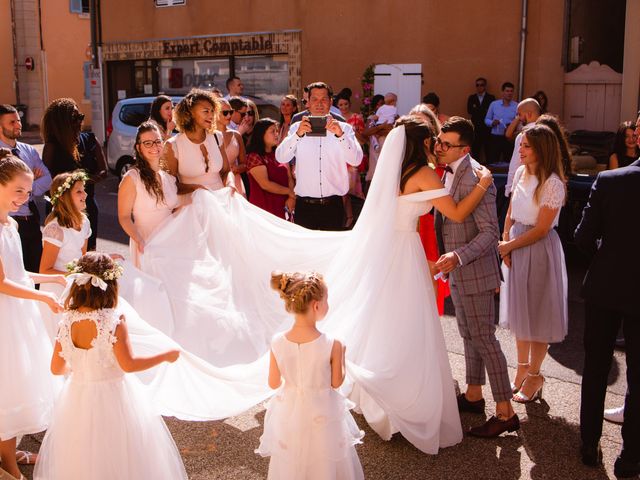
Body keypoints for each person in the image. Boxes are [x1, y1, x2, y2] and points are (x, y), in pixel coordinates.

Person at [32, 252, 187, 480]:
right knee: (121, 451)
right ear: (110, 285)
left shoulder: (67, 321)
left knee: (81, 453)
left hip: (78, 396)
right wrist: (165, 356)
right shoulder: (113, 321)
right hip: (114, 397)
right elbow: (129, 364)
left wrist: (81, 365)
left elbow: (56, 369)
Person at [433, 116, 520, 438]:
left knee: (484, 338)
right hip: (456, 271)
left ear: (464, 148)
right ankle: (473, 394)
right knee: (468, 334)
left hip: (474, 271)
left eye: (446, 144)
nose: (439, 147)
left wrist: (457, 256)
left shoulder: (477, 177)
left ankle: (505, 412)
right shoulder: (448, 170)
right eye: (438, 141)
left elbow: (490, 234)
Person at [256, 271, 365, 479]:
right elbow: (336, 382)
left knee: (292, 458)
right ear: (316, 305)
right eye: (326, 300)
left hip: (289, 411)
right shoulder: (333, 343)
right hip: (322, 411)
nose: (327, 304)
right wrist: (340, 354)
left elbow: (273, 383)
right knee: (324, 457)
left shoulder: (278, 341)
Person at [0, 149, 64, 480]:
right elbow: (2, 283)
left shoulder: (9, 224)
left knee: (18, 387)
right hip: (4, 317)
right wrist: (44, 301)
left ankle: (8, 453)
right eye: (17, 191)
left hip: (16, 311)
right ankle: (7, 465)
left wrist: (50, 278)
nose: (24, 198)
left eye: (27, 192)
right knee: (8, 389)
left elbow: (19, 272)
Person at [574, 157, 640, 478]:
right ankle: (630, 458)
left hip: (605, 287)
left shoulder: (610, 179)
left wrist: (607, 256)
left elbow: (583, 237)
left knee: (596, 366)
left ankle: (589, 443)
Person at [498, 124, 568, 405]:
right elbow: (511, 211)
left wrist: (509, 246)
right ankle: (522, 368)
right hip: (515, 244)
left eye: (526, 145)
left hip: (538, 249)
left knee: (537, 314)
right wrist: (505, 240)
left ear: (542, 149)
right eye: (521, 145)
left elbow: (541, 229)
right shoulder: (519, 173)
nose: (520, 149)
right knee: (519, 312)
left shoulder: (553, 183)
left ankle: (536, 375)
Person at [276, 82, 363, 230]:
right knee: (305, 252)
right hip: (304, 206)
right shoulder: (297, 128)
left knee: (332, 251)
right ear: (308, 103)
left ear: (330, 101)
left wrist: (340, 135)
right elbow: (281, 157)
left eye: (323, 99)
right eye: (314, 99)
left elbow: (356, 160)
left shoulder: (344, 128)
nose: (319, 104)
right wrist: (297, 135)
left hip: (334, 205)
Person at [42, 98, 108, 250]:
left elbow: (103, 170)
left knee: (89, 251)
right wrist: (70, 183)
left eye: (81, 117)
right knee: (63, 253)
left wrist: (88, 180)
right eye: (74, 118)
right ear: (62, 122)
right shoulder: (52, 147)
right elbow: (47, 183)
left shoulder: (90, 140)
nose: (79, 121)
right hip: (62, 209)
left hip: (87, 204)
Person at [118, 122, 181, 267]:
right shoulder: (132, 178)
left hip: (170, 243)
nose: (154, 146)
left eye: (158, 141)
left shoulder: (168, 177)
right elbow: (124, 217)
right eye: (147, 143)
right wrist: (140, 241)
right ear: (138, 148)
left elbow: (175, 209)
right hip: (147, 243)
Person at [38, 170, 92, 339]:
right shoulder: (55, 229)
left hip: (77, 286)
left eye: (84, 190)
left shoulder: (84, 221)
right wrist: (75, 275)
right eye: (79, 191)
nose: (85, 194)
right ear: (63, 197)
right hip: (58, 290)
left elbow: (83, 257)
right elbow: (44, 270)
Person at [0, 104, 51, 273]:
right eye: (12, 122)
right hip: (8, 219)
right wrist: (26, 186)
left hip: (31, 219)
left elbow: (48, 179)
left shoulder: (28, 150)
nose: (18, 125)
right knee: (13, 270)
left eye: (19, 120)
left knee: (35, 268)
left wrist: (27, 190)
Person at [163, 88, 232, 193]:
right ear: (189, 113)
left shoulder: (217, 137)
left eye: (213, 111)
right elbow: (168, 184)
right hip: (191, 204)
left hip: (220, 201)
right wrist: (194, 188)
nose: (211, 115)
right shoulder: (173, 144)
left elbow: (226, 171)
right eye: (206, 111)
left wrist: (231, 184)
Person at [246, 118, 295, 219]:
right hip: (264, 208)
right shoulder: (254, 156)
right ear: (261, 134)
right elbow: (265, 184)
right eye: (273, 131)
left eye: (277, 131)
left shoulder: (279, 154)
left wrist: (291, 197)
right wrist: (290, 192)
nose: (277, 134)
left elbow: (289, 177)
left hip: (284, 206)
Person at [336, 95, 367, 226]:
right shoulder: (335, 119)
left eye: (345, 104)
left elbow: (363, 140)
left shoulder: (356, 118)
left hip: (350, 159)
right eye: (340, 105)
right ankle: (348, 217)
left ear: (349, 104)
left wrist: (353, 133)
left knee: (346, 190)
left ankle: (343, 217)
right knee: (342, 191)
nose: (343, 107)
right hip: (338, 158)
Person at [504, 99, 542, 198]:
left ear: (529, 114)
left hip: (522, 186)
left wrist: (509, 189)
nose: (519, 118)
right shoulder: (547, 133)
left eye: (520, 114)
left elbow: (515, 163)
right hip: (540, 184)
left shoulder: (524, 135)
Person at [216, 98, 248, 196]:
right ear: (214, 113)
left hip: (235, 181)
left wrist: (236, 169)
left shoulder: (236, 135)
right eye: (225, 113)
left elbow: (245, 165)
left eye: (231, 112)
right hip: (215, 183)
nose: (229, 115)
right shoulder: (206, 136)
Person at [484, 82, 518, 164]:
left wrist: (512, 125)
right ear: (502, 92)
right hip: (495, 136)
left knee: (509, 161)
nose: (509, 93)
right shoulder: (494, 104)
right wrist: (492, 123)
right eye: (507, 91)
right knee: (493, 160)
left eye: (511, 91)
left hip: (509, 138)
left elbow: (519, 121)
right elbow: (486, 119)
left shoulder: (517, 106)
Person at [467, 78, 495, 161]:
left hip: (487, 128)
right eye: (477, 85)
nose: (479, 87)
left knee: (488, 150)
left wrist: (477, 110)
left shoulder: (490, 98)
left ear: (485, 86)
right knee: (475, 150)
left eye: (481, 85)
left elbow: (491, 112)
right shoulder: (472, 98)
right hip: (476, 128)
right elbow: (469, 110)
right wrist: (483, 110)